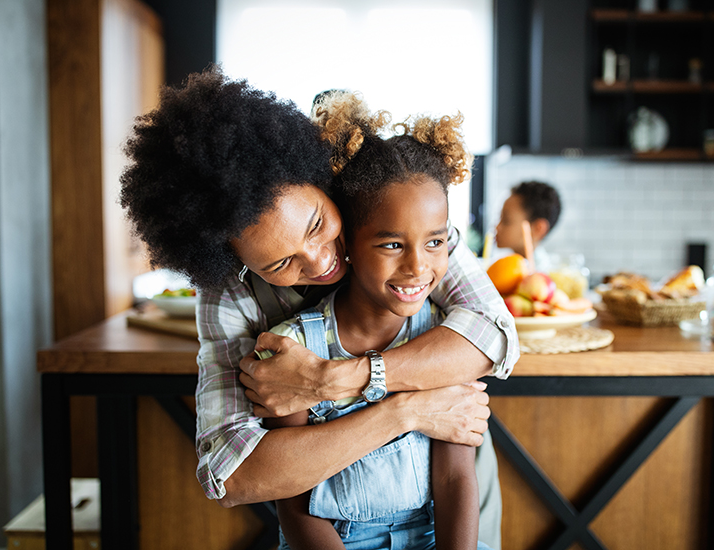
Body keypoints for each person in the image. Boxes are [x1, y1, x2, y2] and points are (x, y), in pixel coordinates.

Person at [119, 66, 518, 548]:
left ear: (324, 183)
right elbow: (235, 473)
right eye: (282, 261)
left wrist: (330, 381)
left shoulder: (399, 228)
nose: (321, 259)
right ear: (234, 262)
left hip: (448, 507)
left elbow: (493, 335)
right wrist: (406, 411)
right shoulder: (231, 297)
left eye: (316, 225)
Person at [261, 91, 487, 548]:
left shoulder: (443, 342)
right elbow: (294, 501)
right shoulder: (292, 351)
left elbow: (454, 479)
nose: (418, 268)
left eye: (435, 242)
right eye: (391, 245)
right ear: (347, 243)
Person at [494, 180, 561, 272]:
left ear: (538, 229)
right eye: (500, 218)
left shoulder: (540, 276)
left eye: (506, 220)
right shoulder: (502, 267)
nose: (497, 227)